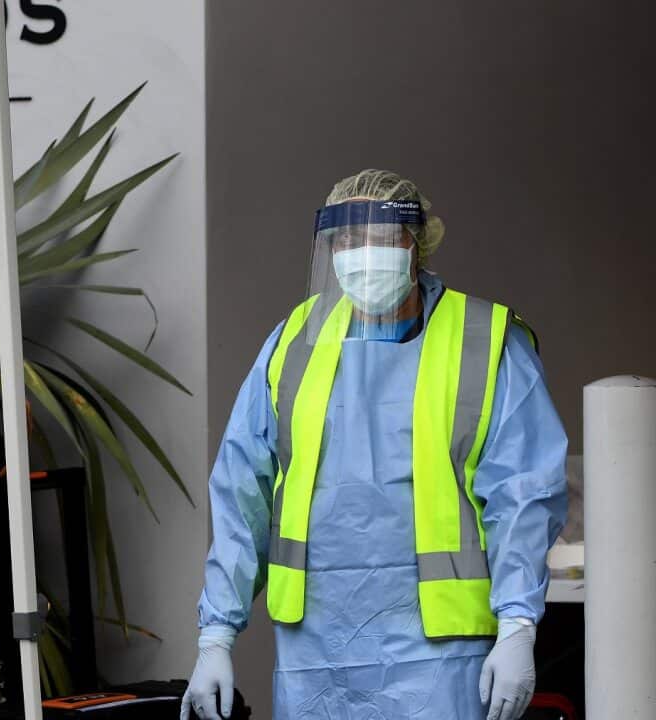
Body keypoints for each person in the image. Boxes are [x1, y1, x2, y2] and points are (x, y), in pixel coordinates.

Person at [181, 170, 567, 720]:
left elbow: (524, 495)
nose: (362, 253)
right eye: (345, 240)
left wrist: (517, 625)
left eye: (382, 238)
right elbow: (243, 490)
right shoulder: (295, 342)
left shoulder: (483, 341)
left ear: (419, 243)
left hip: (441, 656)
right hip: (314, 657)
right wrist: (216, 634)